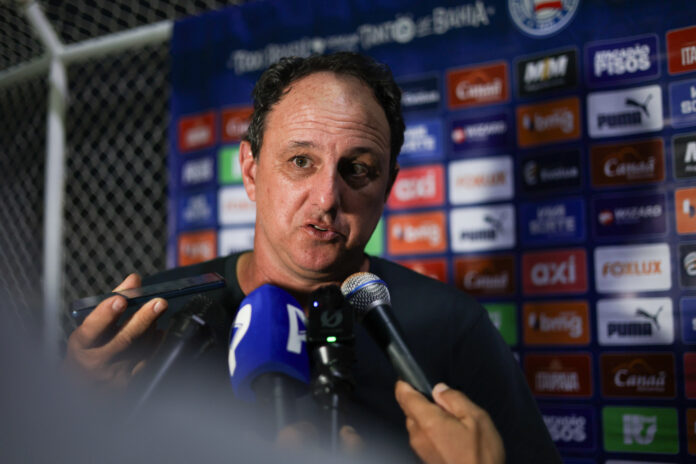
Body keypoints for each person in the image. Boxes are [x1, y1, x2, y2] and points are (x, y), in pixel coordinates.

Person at [65, 52, 561, 462]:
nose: (327, 198)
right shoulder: (154, 323)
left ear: (388, 186)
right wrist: (82, 409)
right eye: (301, 161)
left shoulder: (452, 328)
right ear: (251, 171)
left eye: (358, 169)